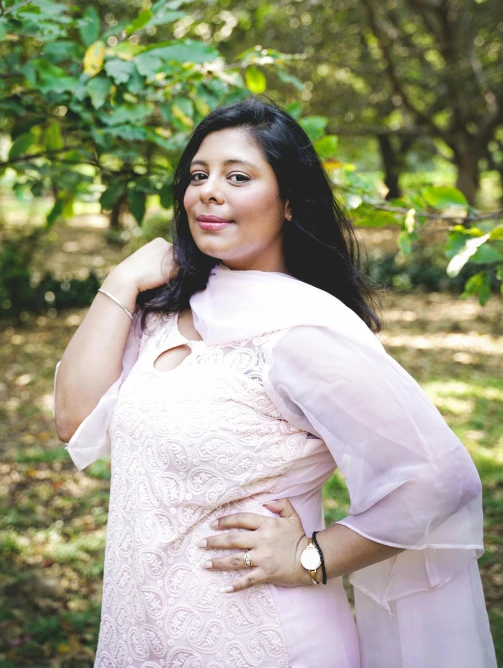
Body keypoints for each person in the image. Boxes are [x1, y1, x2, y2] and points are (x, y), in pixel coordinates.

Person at [53, 95, 497, 668]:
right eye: (198, 174)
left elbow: (439, 479)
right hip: (141, 634)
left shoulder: (301, 333)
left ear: (288, 202)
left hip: (264, 640)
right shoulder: (166, 310)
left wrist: (312, 557)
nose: (209, 190)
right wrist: (121, 279)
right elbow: (74, 421)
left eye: (238, 176)